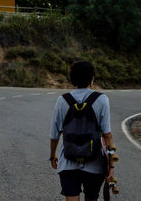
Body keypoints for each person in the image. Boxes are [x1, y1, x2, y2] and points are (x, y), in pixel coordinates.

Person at [49, 61, 115, 201]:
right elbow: (107, 135)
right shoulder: (102, 100)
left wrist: (52, 155)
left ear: (72, 78)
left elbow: (54, 135)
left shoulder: (62, 100)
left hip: (68, 162)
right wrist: (111, 165)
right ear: (92, 78)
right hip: (94, 164)